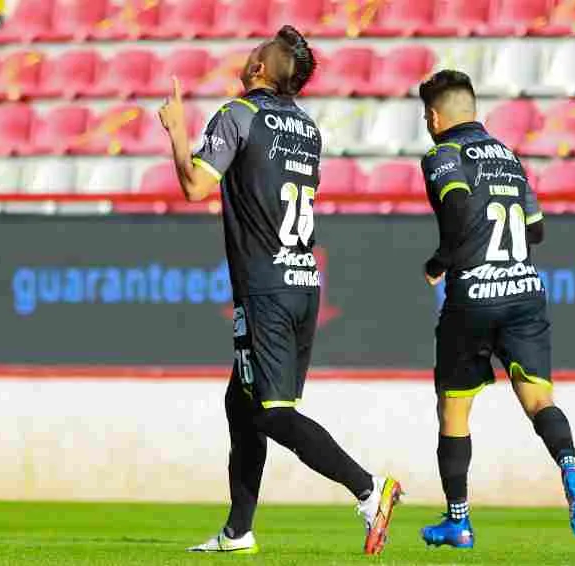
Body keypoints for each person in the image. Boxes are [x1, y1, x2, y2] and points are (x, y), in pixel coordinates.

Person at [158, 25, 402, 556]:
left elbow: (196, 186)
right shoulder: (308, 130)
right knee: (240, 403)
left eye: (258, 51)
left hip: (265, 287)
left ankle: (368, 490)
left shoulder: (236, 114)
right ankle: (237, 530)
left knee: (271, 410)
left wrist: (177, 131)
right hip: (304, 282)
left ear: (263, 70)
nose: (249, 54)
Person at [416, 70, 575, 549]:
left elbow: (457, 213)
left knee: (454, 410)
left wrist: (440, 260)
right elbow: (535, 231)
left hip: (473, 296)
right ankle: (571, 466)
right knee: (539, 401)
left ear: (434, 117)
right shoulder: (510, 159)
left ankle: (459, 521)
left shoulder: (442, 155)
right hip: (523, 293)